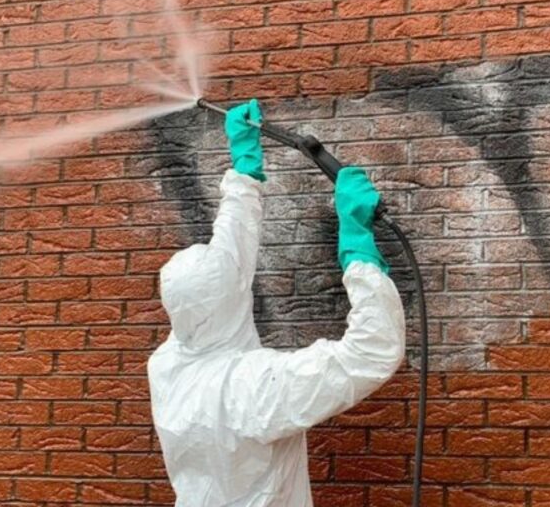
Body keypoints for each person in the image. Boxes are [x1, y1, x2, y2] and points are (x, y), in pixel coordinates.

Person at [147, 99, 406, 506]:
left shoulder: (168, 366)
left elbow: (227, 265)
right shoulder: (252, 390)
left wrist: (244, 169)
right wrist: (359, 253)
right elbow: (370, 353)